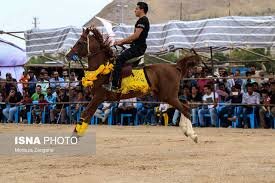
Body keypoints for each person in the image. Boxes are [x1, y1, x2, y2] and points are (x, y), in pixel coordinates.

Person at [103, 2, 150, 91]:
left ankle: (115, 86)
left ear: (142, 10)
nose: (134, 10)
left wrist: (121, 41)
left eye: (136, 9)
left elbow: (136, 36)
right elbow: (134, 38)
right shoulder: (141, 20)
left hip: (138, 48)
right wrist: (122, 43)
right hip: (136, 47)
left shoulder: (143, 20)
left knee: (119, 60)